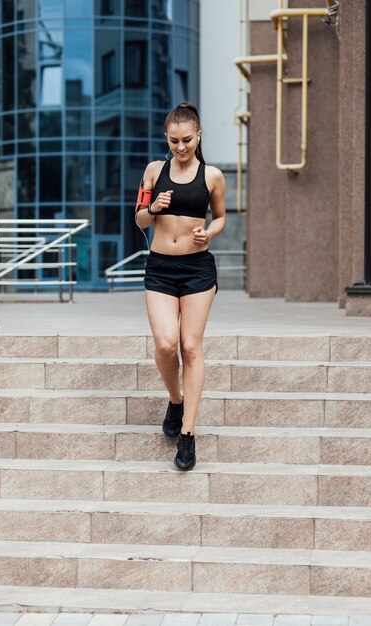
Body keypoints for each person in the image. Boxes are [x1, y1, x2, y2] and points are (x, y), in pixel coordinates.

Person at [135, 102, 226, 471]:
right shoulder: (155, 170)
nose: (181, 147)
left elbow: (220, 217)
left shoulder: (213, 176)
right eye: (174, 141)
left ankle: (187, 434)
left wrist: (210, 232)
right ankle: (175, 399)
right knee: (165, 343)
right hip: (159, 268)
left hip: (198, 269)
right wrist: (153, 207)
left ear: (198, 136)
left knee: (190, 346)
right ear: (166, 139)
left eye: (187, 140)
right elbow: (140, 220)